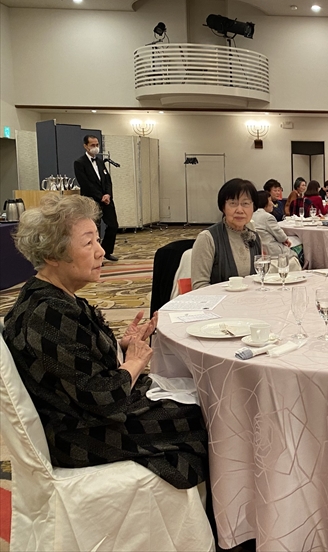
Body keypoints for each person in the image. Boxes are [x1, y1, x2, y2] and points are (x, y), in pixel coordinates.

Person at [3, 194, 208, 489]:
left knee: (198, 400)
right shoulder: (49, 314)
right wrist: (135, 361)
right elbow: (105, 399)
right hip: (81, 434)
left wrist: (121, 349)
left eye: (97, 241)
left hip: (83, 416)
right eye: (88, 243)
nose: (101, 252)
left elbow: (76, 364)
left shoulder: (50, 297)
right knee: (204, 417)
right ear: (52, 255)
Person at [191, 178, 262, 290]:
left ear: (253, 207)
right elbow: (199, 286)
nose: (240, 210)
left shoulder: (255, 237)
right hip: (218, 300)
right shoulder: (208, 238)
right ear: (223, 207)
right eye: (233, 203)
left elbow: (258, 278)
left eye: (245, 203)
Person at [73, 135, 119, 262]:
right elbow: (85, 183)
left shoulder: (100, 161)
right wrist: (100, 196)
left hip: (107, 200)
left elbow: (108, 180)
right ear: (85, 146)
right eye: (92, 145)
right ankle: (95, 255)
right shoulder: (79, 163)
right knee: (94, 229)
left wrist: (108, 194)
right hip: (92, 201)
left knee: (113, 225)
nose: (95, 147)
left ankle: (106, 251)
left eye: (97, 145)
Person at [252, 191, 296, 257]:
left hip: (257, 250)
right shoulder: (268, 217)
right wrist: (285, 239)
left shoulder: (251, 215)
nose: (272, 204)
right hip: (272, 250)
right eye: (270, 201)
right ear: (264, 202)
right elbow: (281, 237)